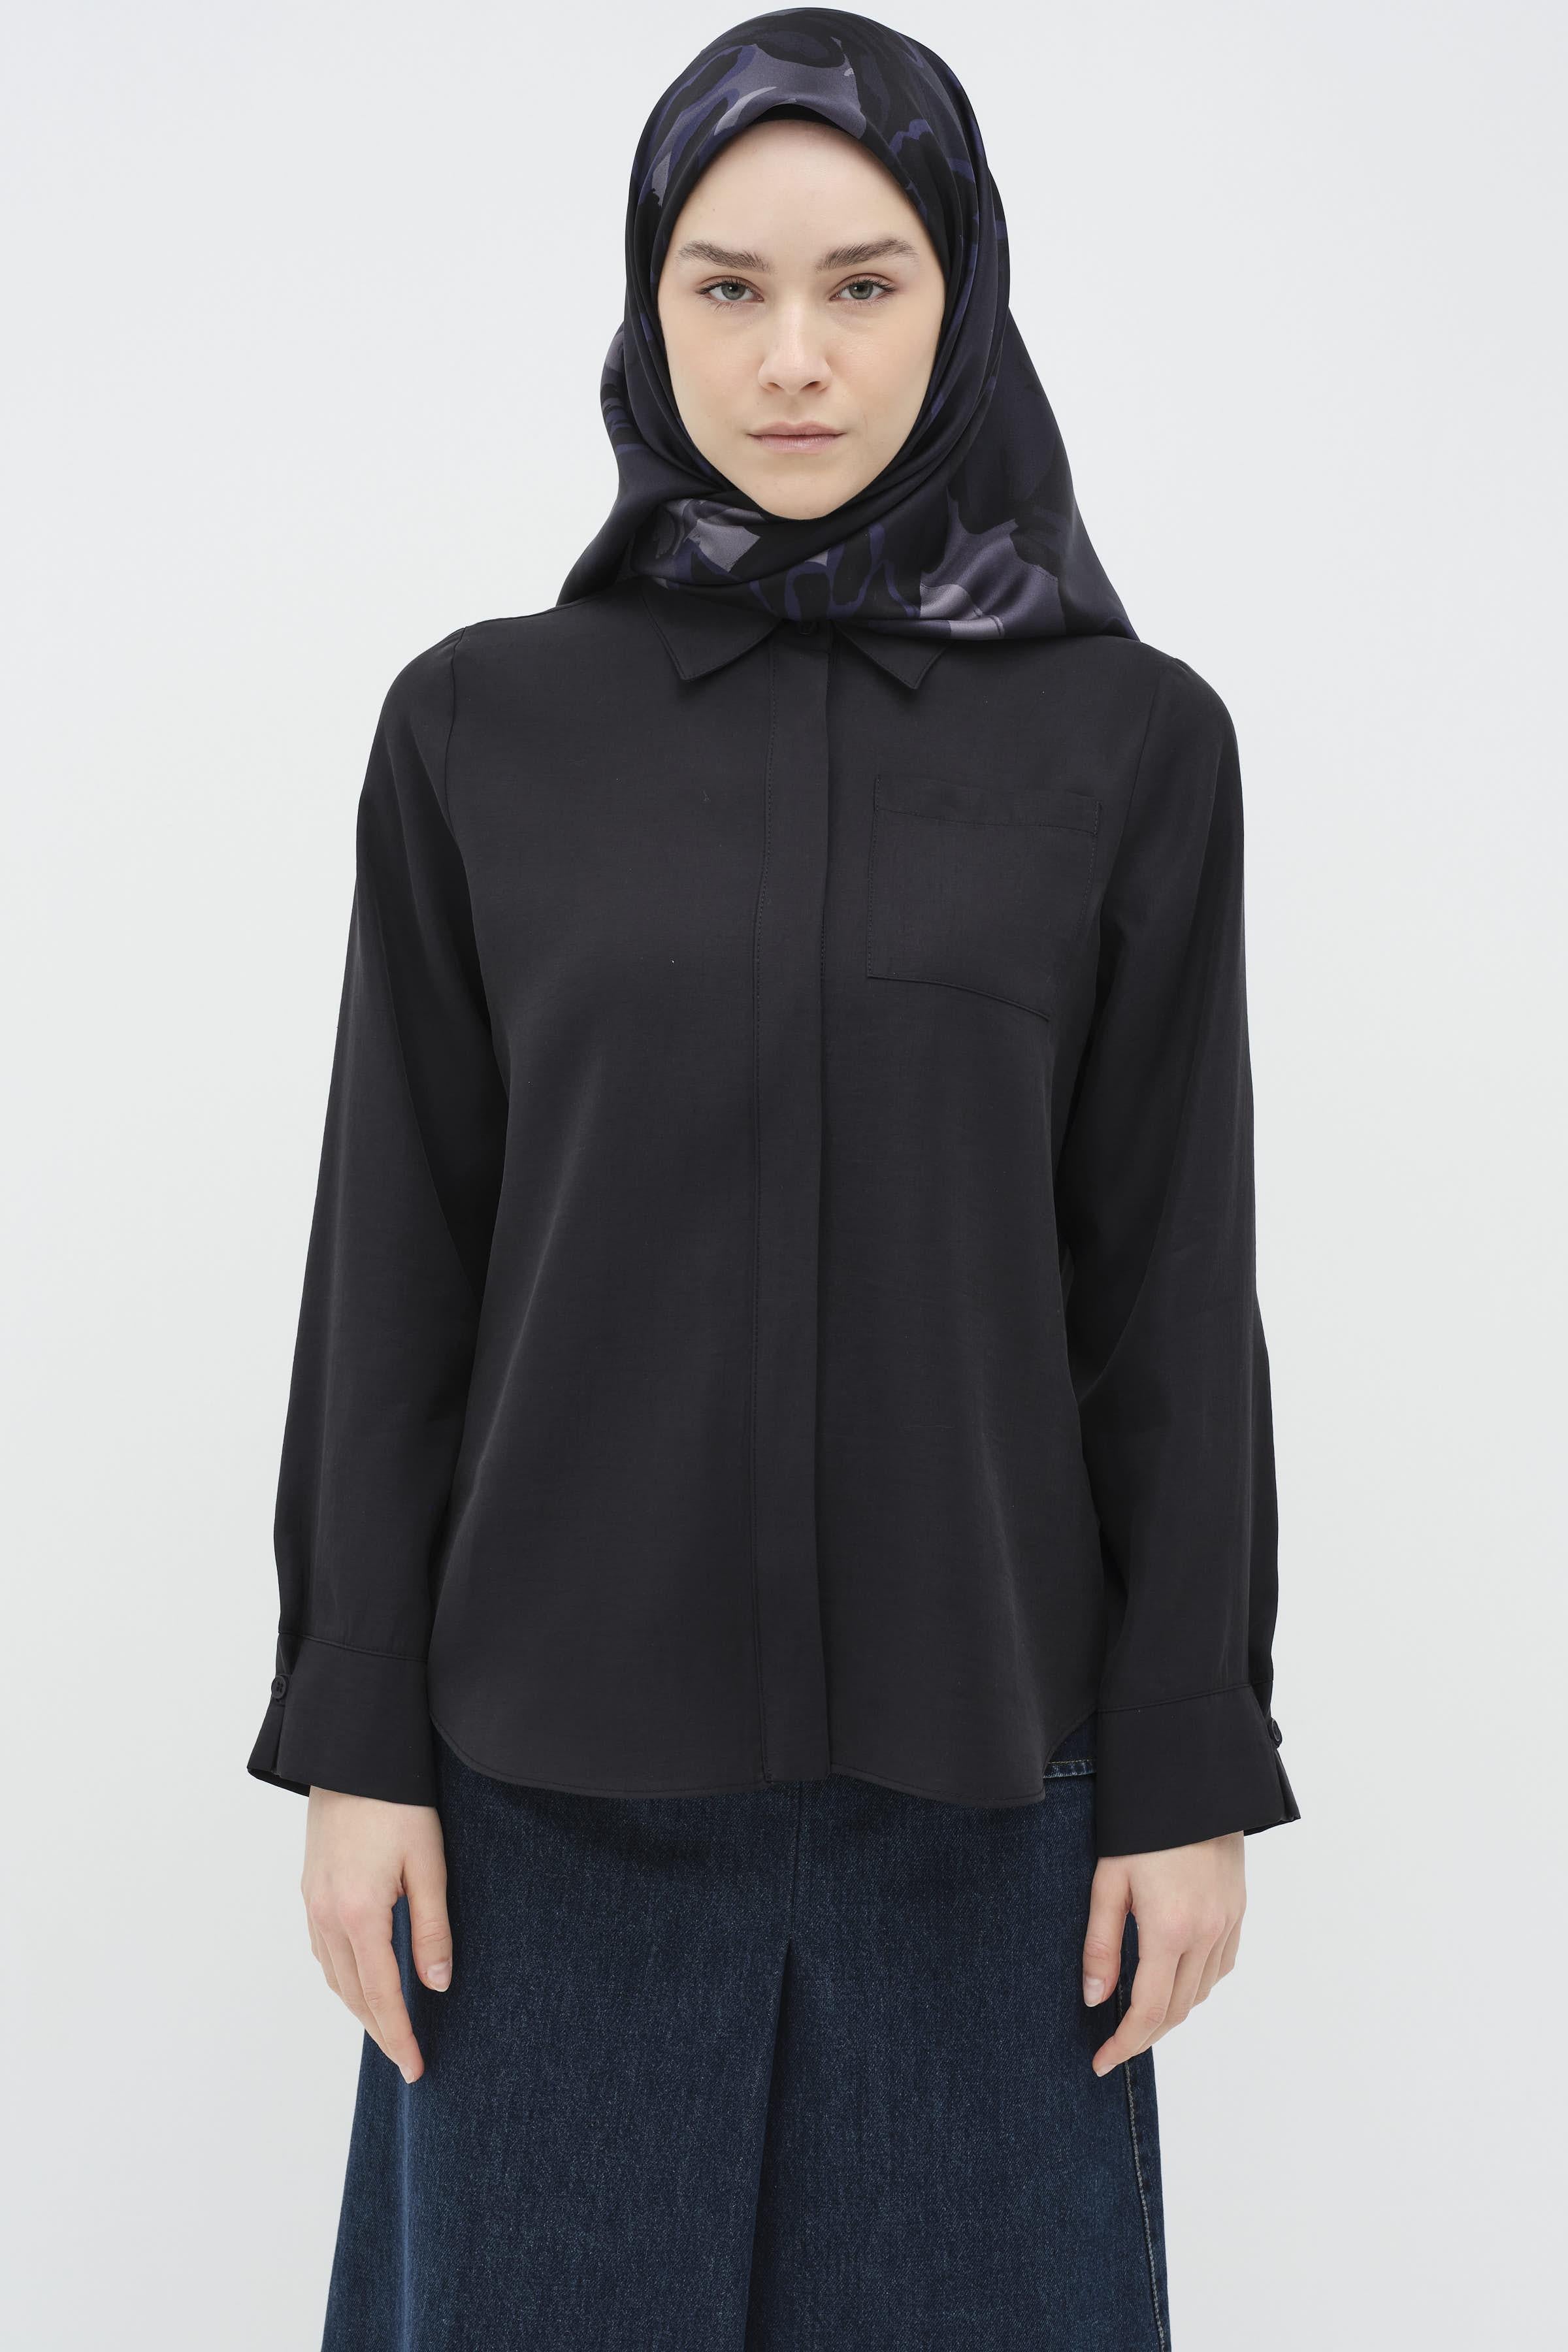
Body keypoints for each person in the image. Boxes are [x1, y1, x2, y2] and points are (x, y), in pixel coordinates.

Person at [248, 9, 1300, 2345]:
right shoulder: (477, 729)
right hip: (535, 1824)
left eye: (864, 283)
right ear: (650, 304)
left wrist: (1186, 1771)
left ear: (964, 299)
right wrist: (355, 1744)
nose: (793, 356)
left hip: (993, 1817)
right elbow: (396, 1266)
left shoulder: (1133, 746)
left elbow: (1168, 1287)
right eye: (725, 287)